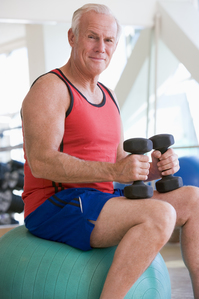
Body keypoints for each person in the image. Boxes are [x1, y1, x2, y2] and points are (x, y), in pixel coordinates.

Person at [21, 3, 199, 299]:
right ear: (72, 37)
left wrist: (154, 168)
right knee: (161, 214)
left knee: (193, 198)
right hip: (55, 205)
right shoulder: (51, 88)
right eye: (92, 37)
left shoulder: (109, 95)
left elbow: (117, 162)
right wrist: (116, 171)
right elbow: (41, 162)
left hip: (101, 201)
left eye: (109, 40)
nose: (100, 47)